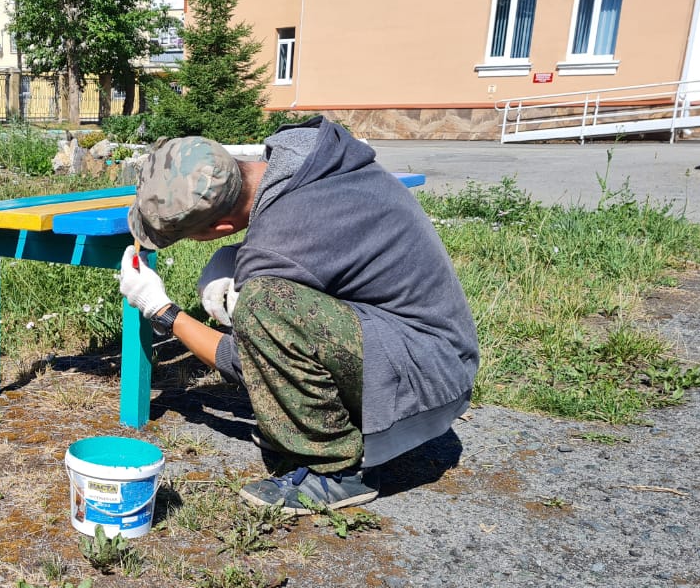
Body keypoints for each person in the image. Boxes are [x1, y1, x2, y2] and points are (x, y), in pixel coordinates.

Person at [117, 117, 479, 514]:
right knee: (263, 304)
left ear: (221, 226)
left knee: (263, 307)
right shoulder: (304, 159)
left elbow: (245, 361)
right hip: (434, 345)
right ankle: (311, 422)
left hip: (427, 376)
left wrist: (162, 310)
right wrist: (237, 256)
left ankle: (338, 471)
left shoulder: (283, 240)